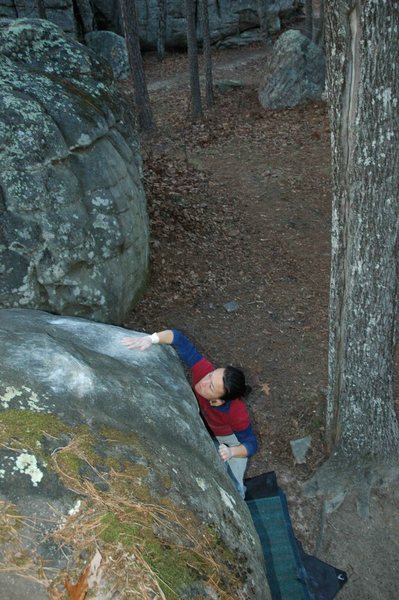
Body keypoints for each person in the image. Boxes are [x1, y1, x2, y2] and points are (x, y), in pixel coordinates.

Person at [122, 329, 257, 499]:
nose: (203, 382)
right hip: (205, 422)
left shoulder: (236, 413)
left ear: (221, 400)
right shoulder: (203, 372)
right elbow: (178, 338)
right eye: (210, 376)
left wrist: (231, 452)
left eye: (211, 387)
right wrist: (151, 339)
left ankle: (241, 503)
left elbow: (251, 444)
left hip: (229, 441)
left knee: (234, 485)